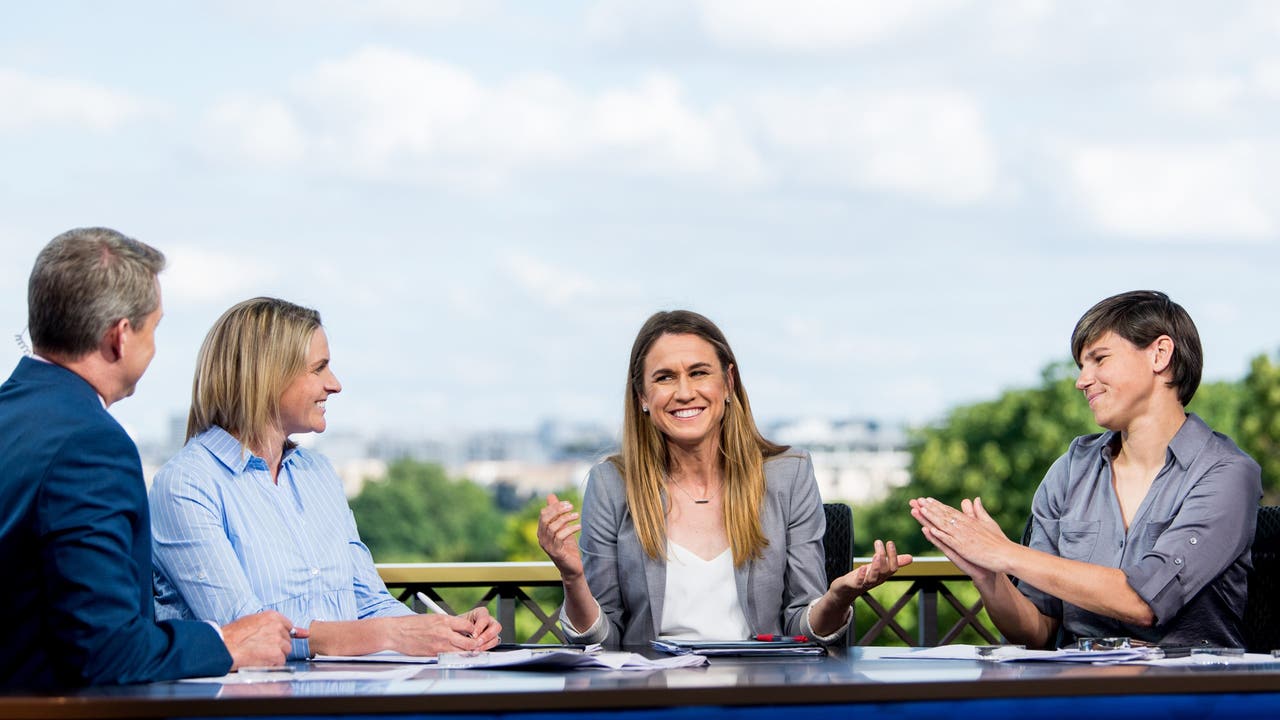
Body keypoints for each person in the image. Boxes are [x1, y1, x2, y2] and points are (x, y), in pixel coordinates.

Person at [0, 228, 296, 689]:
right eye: (154, 328)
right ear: (120, 337)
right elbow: (107, 651)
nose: (155, 346)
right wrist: (226, 643)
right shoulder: (91, 445)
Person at [149, 297, 501, 659]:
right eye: (319, 369)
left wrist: (449, 631)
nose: (335, 385)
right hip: (246, 711)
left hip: (343, 703)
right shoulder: (186, 485)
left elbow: (371, 605)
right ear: (267, 376)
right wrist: (391, 634)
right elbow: (247, 632)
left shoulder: (318, 475)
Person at [910, 290, 1262, 649]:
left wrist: (1006, 553)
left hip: (1187, 694)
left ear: (1159, 354)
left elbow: (1143, 602)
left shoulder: (1227, 474)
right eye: (1081, 366)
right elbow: (1037, 630)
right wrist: (990, 576)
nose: (1082, 380)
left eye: (1099, 359)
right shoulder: (1070, 471)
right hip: (1077, 688)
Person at [538, 310, 911, 648]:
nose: (685, 393)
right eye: (665, 378)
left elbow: (801, 625)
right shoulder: (611, 485)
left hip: (759, 694)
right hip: (651, 694)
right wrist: (573, 578)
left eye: (699, 373)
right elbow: (604, 640)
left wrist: (837, 598)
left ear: (728, 382)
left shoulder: (789, 474)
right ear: (643, 397)